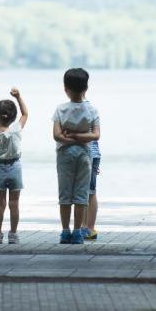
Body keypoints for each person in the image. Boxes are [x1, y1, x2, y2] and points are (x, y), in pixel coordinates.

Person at [52, 67, 100, 245]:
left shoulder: (60, 109)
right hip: (85, 155)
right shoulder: (92, 110)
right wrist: (80, 138)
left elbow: (57, 135)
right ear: (86, 88)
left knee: (65, 193)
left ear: (66, 89)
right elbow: (95, 136)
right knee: (81, 194)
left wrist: (69, 136)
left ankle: (65, 231)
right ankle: (78, 232)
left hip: (64, 155)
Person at [0, 87, 28, 244]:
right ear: (12, 117)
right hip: (15, 168)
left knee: (0, 204)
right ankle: (13, 234)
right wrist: (18, 96)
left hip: (0, 169)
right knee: (14, 204)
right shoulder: (16, 130)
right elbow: (25, 114)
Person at [84, 133, 102, 240]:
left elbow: (95, 134)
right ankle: (85, 227)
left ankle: (89, 228)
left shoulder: (91, 115)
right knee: (87, 192)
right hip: (88, 153)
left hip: (90, 153)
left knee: (90, 192)